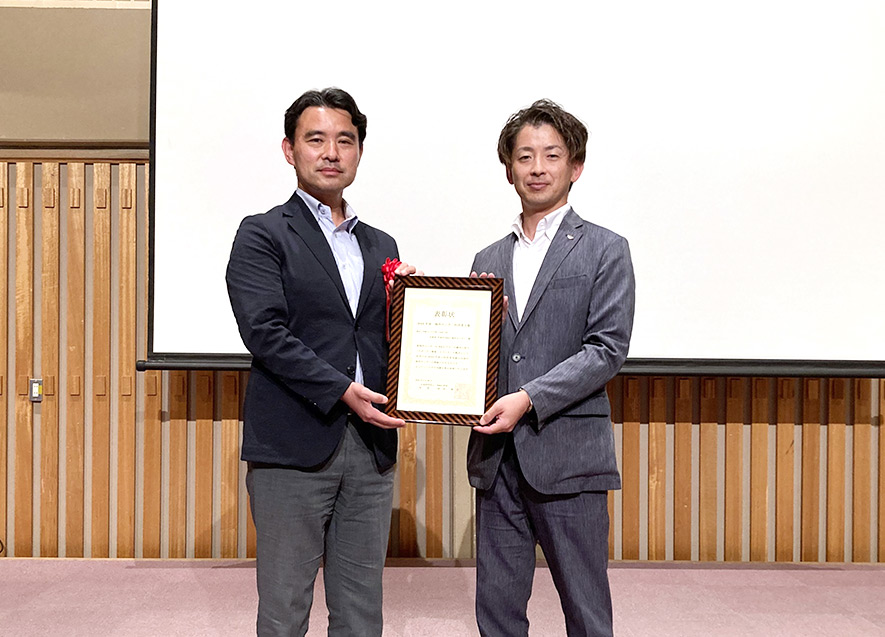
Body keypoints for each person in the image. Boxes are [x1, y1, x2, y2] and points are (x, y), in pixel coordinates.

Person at [226, 87, 416, 636]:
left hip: (371, 448)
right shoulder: (263, 233)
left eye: (345, 140)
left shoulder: (382, 245)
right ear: (290, 150)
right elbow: (264, 332)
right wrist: (341, 389)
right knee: (285, 609)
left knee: (361, 614)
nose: (331, 152)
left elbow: (394, 340)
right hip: (292, 445)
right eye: (316, 139)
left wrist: (441, 305)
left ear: (358, 153)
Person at [469, 99, 635, 637]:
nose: (537, 168)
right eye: (524, 156)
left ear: (575, 166)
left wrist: (528, 398)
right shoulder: (487, 258)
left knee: (586, 613)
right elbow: (479, 352)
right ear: (509, 169)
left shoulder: (606, 249)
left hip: (570, 458)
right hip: (496, 462)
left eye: (551, 155)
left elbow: (606, 349)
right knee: (497, 614)